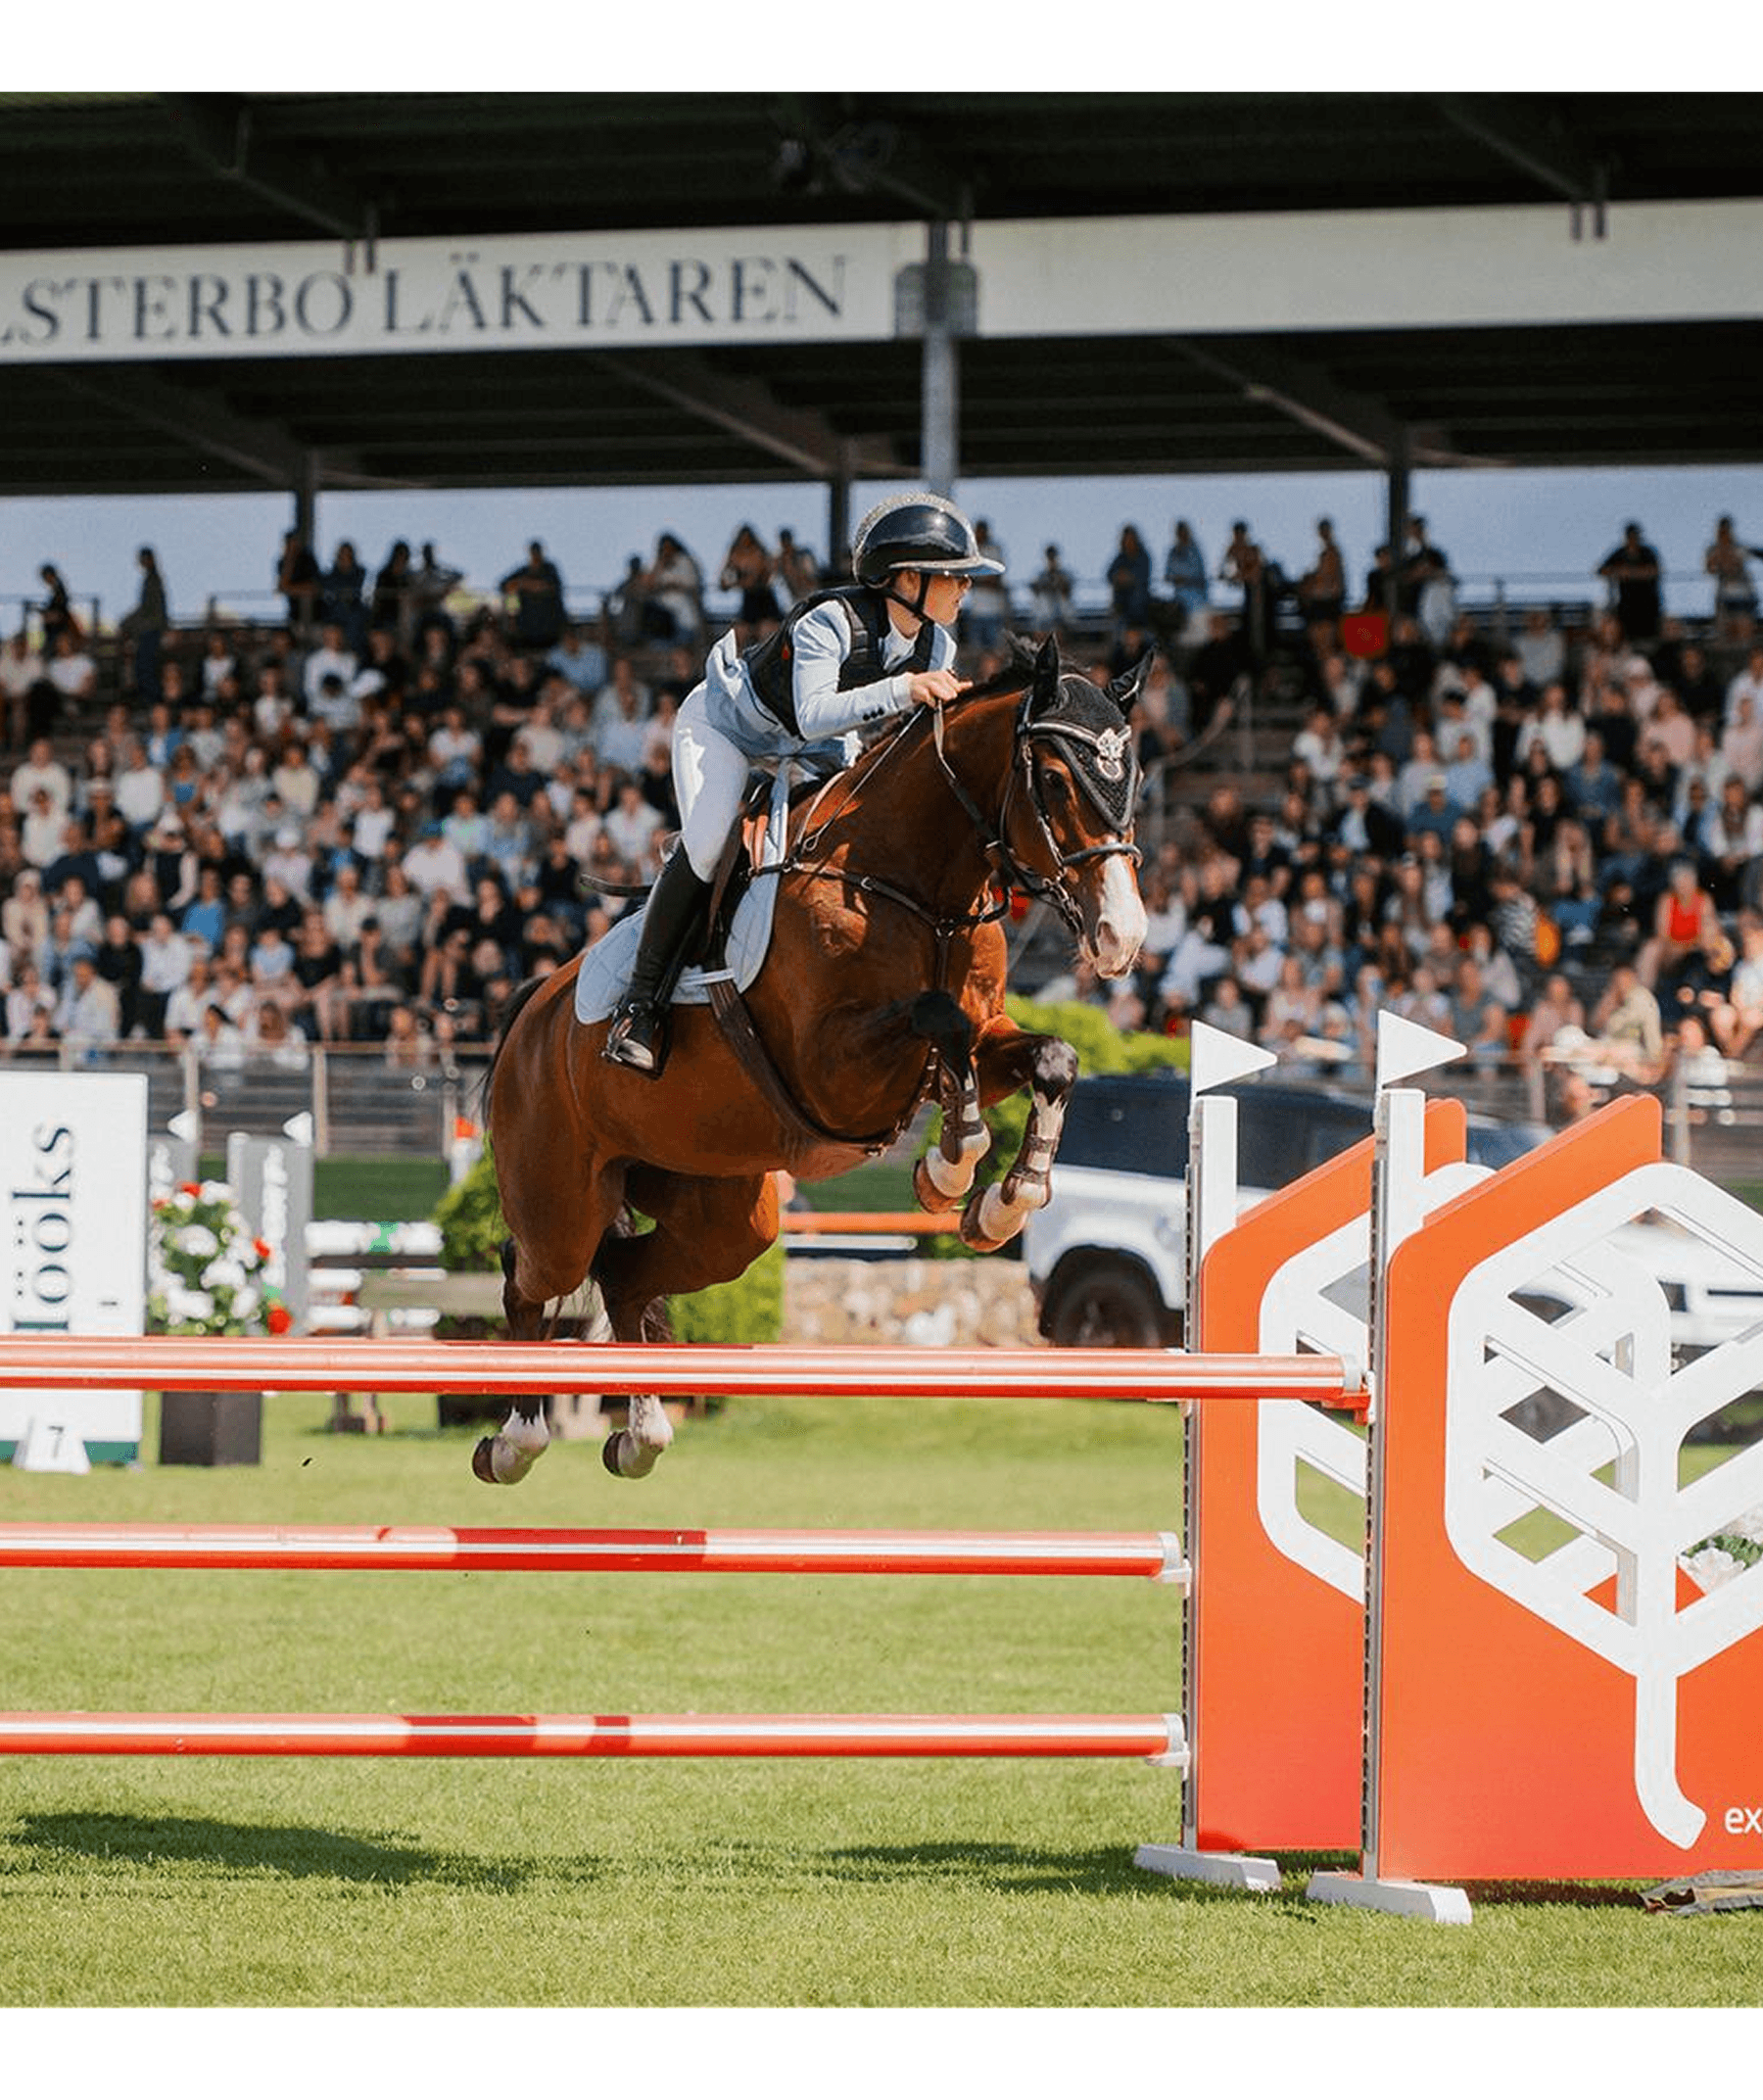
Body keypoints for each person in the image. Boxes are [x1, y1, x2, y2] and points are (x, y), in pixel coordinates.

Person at [601, 491, 998, 1074]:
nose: (966, 587)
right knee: (708, 842)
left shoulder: (938, 643)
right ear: (908, 578)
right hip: (729, 729)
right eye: (954, 576)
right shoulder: (829, 620)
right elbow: (812, 714)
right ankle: (639, 1005)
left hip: (815, 750)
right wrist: (905, 689)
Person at [1596, 521, 1663, 644]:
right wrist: (1618, 571)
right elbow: (1601, 570)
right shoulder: (1620, 553)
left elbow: (1654, 571)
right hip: (1626, 605)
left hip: (1647, 605)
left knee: (1649, 637)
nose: (1633, 539)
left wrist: (1630, 573)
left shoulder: (1647, 552)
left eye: (1635, 536)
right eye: (1630, 536)